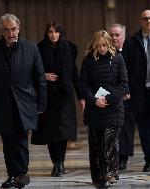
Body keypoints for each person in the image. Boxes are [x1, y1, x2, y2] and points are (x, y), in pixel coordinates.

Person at [0, 13, 47, 188]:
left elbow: (40, 79)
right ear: (2, 31)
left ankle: (21, 173)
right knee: (7, 141)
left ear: (19, 28)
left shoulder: (30, 48)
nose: (11, 33)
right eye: (6, 30)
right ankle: (12, 174)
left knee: (21, 139)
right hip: (1, 103)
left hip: (25, 102)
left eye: (13, 29)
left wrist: (41, 104)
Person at [31, 21, 84, 177]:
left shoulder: (69, 49)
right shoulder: (39, 48)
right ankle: (56, 162)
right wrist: (44, 75)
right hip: (47, 96)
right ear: (46, 34)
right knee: (50, 133)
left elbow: (75, 73)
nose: (53, 35)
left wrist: (81, 96)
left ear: (61, 33)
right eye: (50, 32)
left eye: (56, 32)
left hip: (65, 95)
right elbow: (32, 71)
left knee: (62, 133)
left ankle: (60, 163)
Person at [80, 30, 128, 188]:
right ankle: (99, 177)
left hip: (113, 107)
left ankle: (111, 173)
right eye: (99, 45)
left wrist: (108, 99)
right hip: (95, 109)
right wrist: (94, 101)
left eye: (105, 45)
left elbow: (123, 85)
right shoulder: (87, 61)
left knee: (111, 142)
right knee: (96, 145)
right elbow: (83, 86)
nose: (102, 48)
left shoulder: (118, 59)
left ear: (109, 44)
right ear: (94, 45)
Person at [124, 10, 150, 175]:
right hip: (139, 92)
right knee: (144, 129)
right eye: (145, 19)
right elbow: (125, 69)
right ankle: (149, 159)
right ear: (140, 21)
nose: (148, 21)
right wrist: (126, 90)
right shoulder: (131, 42)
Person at [108, 23, 136, 171]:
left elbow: (135, 74)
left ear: (123, 37)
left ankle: (123, 158)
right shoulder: (103, 52)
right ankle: (111, 157)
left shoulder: (129, 51)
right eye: (111, 35)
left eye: (117, 35)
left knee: (125, 128)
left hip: (126, 96)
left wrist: (127, 91)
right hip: (108, 97)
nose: (114, 38)